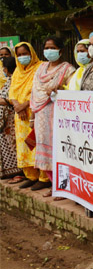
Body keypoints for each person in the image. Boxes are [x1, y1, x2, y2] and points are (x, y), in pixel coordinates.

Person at [30, 35, 76, 196]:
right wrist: (32, 116)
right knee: (44, 147)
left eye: (53, 48)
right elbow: (35, 90)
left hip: (58, 115)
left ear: (61, 51)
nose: (49, 51)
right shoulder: (41, 68)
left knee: (60, 148)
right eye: (47, 48)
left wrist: (59, 90)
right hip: (41, 114)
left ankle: (63, 186)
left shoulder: (67, 69)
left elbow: (73, 91)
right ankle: (53, 184)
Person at [8, 42, 44, 190]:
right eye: (20, 55)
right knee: (24, 145)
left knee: (38, 143)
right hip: (20, 116)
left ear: (32, 53)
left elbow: (41, 90)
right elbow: (12, 92)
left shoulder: (40, 68)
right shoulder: (17, 71)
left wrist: (24, 105)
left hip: (36, 112)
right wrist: (17, 105)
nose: (23, 57)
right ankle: (31, 175)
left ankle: (44, 176)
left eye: (25, 54)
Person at [0, 55, 22, 180]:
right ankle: (9, 172)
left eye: (4, 68)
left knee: (13, 146)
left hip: (12, 119)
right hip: (5, 120)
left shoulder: (16, 80)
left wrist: (3, 101)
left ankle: (18, 172)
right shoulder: (9, 80)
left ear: (7, 69)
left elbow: (14, 98)